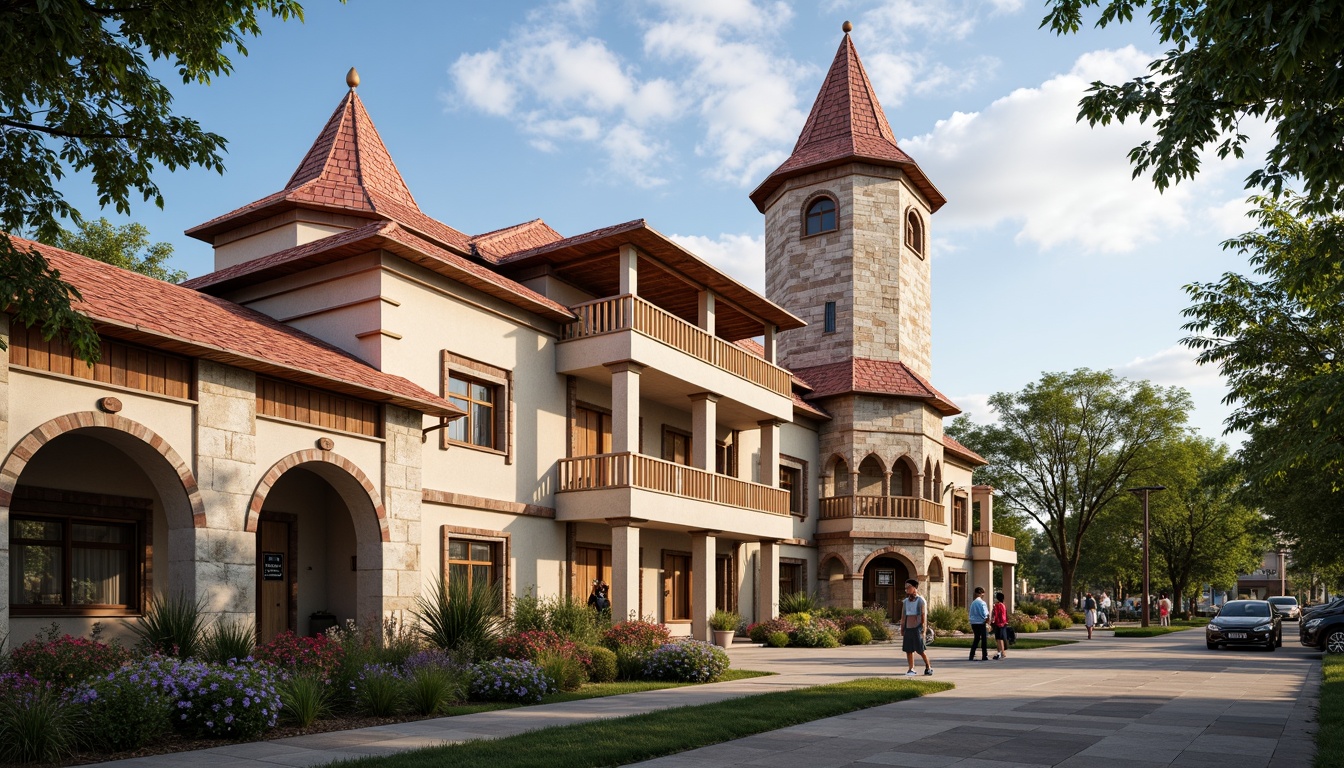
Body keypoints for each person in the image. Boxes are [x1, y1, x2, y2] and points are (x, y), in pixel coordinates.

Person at [900, 578, 934, 676]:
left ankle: (928, 666)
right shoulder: (906, 601)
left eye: (908, 587)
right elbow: (903, 615)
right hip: (908, 627)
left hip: (917, 627)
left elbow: (923, 615)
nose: (906, 589)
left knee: (920, 649)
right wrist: (902, 627)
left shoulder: (921, 600)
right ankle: (911, 668)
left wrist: (923, 629)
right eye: (905, 588)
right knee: (908, 649)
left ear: (914, 588)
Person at [968, 586, 990, 661]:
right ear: (981, 594)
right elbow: (985, 613)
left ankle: (972, 654)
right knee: (984, 639)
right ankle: (984, 655)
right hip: (981, 622)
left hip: (973, 622)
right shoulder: (982, 603)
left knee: (976, 638)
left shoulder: (973, 603)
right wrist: (987, 620)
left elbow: (970, 613)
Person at [991, 591, 1010, 660]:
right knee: (999, 638)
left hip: (999, 623)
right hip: (1003, 623)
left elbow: (997, 615)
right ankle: (999, 652)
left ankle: (1002, 652)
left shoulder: (997, 605)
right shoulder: (1003, 605)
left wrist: (994, 621)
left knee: (999, 639)